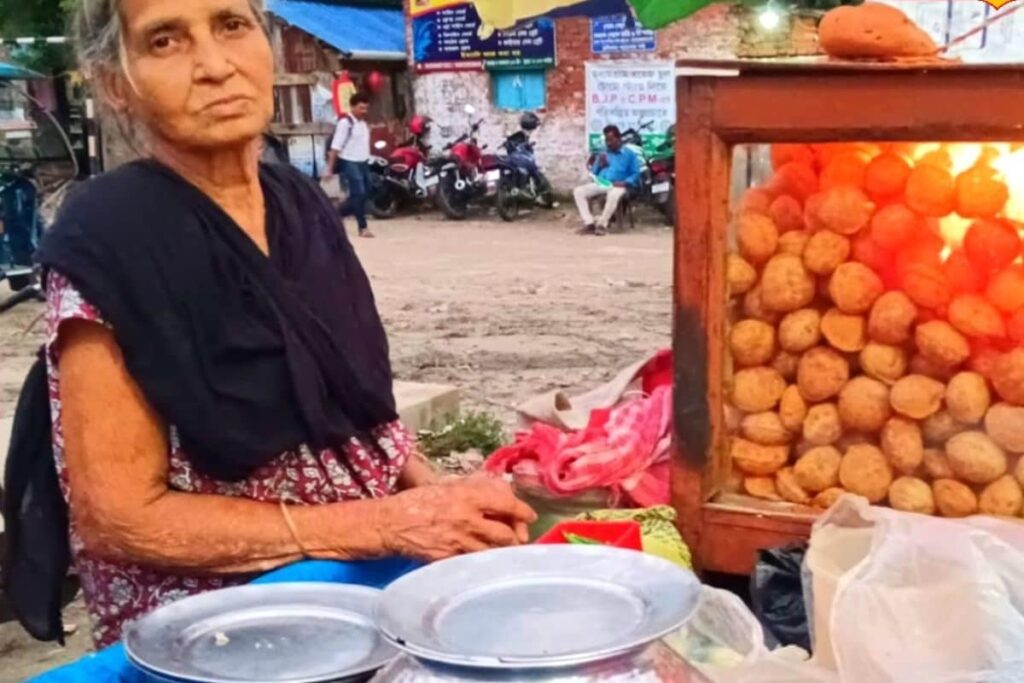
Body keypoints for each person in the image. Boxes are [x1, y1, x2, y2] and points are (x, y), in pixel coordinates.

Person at [3, 0, 535, 649]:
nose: (214, 66)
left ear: (267, 44)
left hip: (363, 576)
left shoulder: (301, 204)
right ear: (118, 83)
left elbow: (362, 413)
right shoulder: (108, 240)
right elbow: (120, 518)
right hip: (220, 623)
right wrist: (384, 524)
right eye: (166, 40)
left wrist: (445, 508)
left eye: (231, 25)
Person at [573, 125, 642, 236]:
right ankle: (589, 223)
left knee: (613, 195)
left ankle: (602, 225)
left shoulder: (629, 154)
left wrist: (625, 182)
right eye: (607, 140)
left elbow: (635, 173)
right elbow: (594, 173)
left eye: (611, 140)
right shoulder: (603, 153)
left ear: (618, 138)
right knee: (579, 191)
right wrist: (600, 164)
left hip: (620, 185)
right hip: (603, 183)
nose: (608, 143)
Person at [324, 92, 374, 238]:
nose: (363, 111)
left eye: (366, 108)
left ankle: (336, 213)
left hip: (363, 161)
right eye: (361, 108)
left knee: (366, 192)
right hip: (349, 161)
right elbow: (336, 146)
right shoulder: (345, 123)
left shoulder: (363, 124)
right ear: (352, 107)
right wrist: (330, 168)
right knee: (358, 192)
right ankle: (363, 227)